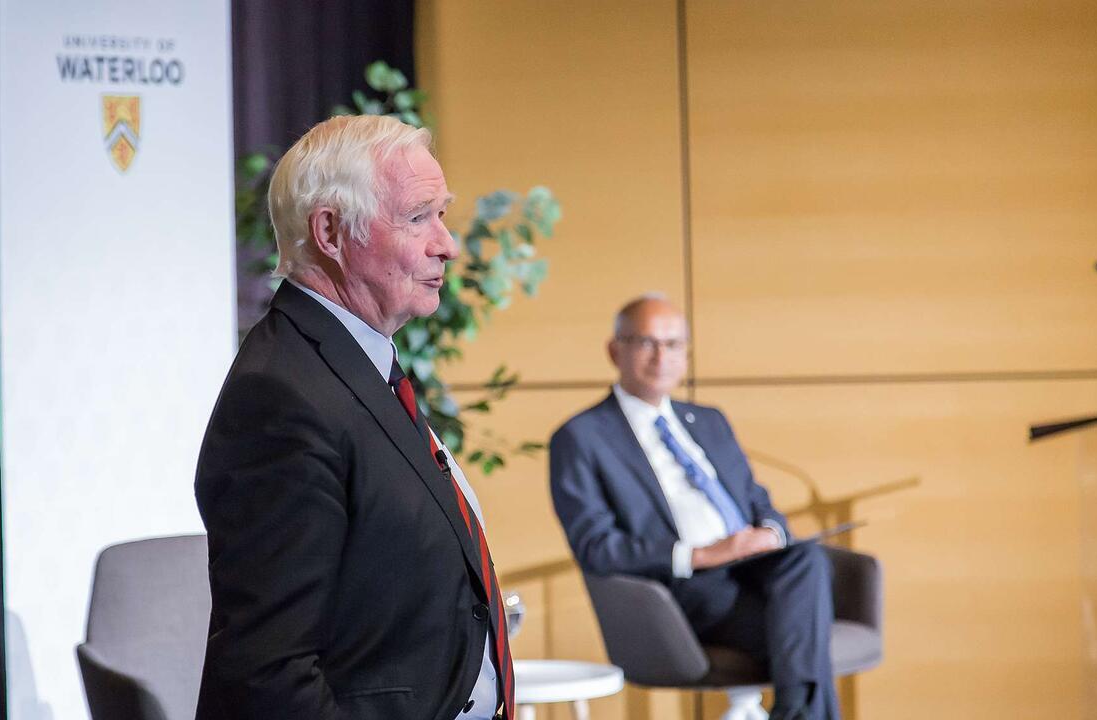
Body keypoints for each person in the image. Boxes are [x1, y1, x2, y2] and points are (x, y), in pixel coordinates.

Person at [194, 115, 513, 720]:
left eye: (442, 215)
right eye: (419, 217)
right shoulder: (281, 397)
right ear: (331, 232)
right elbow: (270, 673)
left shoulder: (355, 365)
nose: (447, 243)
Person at [549, 295, 839, 720]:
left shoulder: (709, 421)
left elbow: (760, 502)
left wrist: (769, 534)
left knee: (807, 558)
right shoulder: (581, 437)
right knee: (805, 630)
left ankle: (794, 711)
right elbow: (595, 545)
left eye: (674, 344)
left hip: (755, 571)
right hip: (685, 588)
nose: (661, 356)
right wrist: (701, 554)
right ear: (616, 350)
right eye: (647, 342)